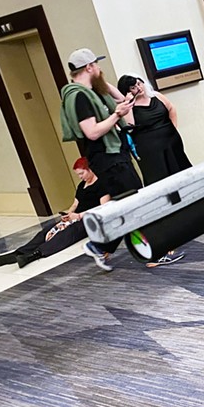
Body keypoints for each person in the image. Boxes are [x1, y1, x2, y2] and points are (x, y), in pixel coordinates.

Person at [59, 48, 140, 271]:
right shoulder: (79, 97)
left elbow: (119, 99)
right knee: (134, 202)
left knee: (126, 202)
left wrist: (104, 85)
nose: (99, 69)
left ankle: (100, 246)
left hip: (114, 154)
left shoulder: (92, 92)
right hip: (107, 157)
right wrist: (116, 115)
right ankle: (152, 252)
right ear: (89, 67)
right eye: (97, 65)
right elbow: (92, 132)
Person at [116, 73, 188, 267]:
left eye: (138, 83)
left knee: (180, 177)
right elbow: (128, 125)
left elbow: (171, 109)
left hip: (170, 142)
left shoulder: (156, 96)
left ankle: (183, 218)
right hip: (150, 150)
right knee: (159, 185)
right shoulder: (129, 108)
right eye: (132, 87)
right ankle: (164, 229)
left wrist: (173, 130)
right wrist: (128, 101)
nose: (137, 88)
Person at [0, 158, 108, 269]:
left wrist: (79, 216)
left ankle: (35, 254)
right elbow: (75, 204)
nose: (80, 177)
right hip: (76, 216)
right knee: (48, 230)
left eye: (82, 173)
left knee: (68, 233)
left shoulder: (102, 184)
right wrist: (69, 213)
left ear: (89, 169)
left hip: (90, 218)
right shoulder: (81, 185)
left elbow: (103, 208)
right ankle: (19, 253)